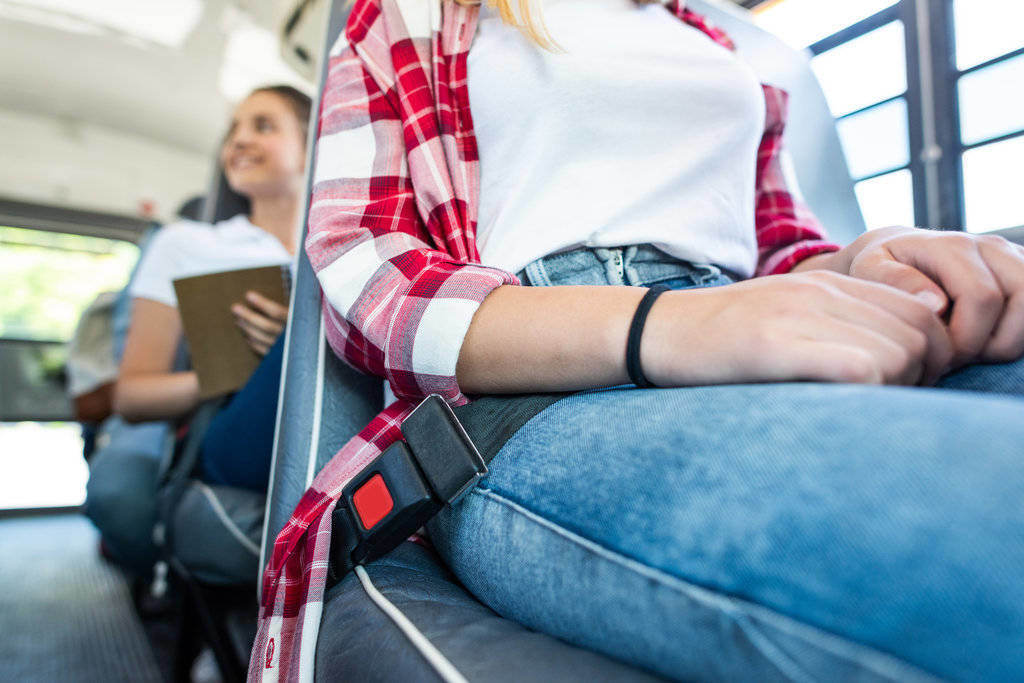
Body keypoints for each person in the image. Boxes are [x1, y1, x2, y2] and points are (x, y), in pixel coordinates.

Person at [252, 2, 1024, 681]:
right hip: (533, 394)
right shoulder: (413, 13)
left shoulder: (721, 47)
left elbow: (781, 252)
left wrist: (870, 259)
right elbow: (372, 286)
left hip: (735, 335)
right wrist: (669, 323)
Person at [85, 85, 311, 576]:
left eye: (263, 125)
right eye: (234, 129)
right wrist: (260, 366)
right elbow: (132, 396)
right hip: (229, 436)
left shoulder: (338, 252)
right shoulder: (186, 244)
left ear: (313, 144)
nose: (239, 141)